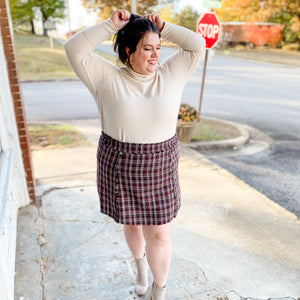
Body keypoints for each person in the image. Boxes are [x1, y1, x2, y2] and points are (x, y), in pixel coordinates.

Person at [64, 8, 205, 300]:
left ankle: (159, 289)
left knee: (161, 234)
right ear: (129, 50)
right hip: (121, 163)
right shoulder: (105, 78)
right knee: (133, 224)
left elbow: (197, 44)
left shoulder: (171, 74)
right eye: (147, 49)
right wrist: (110, 25)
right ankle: (140, 264)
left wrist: (163, 27)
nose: (156, 56)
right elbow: (74, 48)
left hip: (160, 165)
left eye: (159, 48)